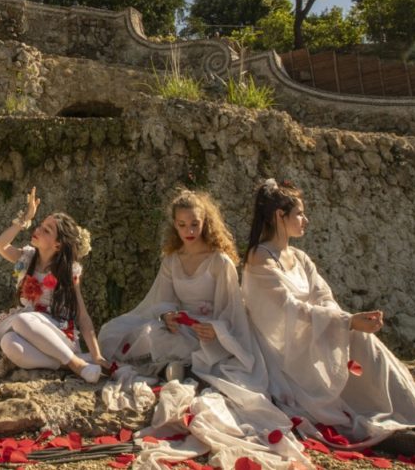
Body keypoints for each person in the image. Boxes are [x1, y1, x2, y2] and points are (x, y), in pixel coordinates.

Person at [242, 179, 415, 460]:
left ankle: (412, 421)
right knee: (353, 333)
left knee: (361, 339)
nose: (305, 220)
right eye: (300, 214)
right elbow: (286, 309)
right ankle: (397, 427)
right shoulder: (260, 257)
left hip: (311, 336)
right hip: (284, 352)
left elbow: (324, 297)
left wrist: (347, 321)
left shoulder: (300, 257)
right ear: (279, 216)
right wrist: (346, 322)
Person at [99, 189, 305, 470]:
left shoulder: (219, 261)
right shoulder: (172, 260)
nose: (189, 231)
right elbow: (162, 302)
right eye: (182, 225)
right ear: (174, 225)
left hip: (210, 332)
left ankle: (184, 368)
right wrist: (167, 317)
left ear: (206, 222)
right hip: (182, 327)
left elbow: (231, 309)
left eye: (195, 224)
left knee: (192, 345)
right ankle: (178, 367)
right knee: (142, 333)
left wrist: (216, 330)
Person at [0, 187, 106, 383]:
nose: (37, 230)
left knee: (21, 321)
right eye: (40, 226)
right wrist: (25, 218)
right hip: (28, 329)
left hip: (55, 330)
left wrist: (97, 355)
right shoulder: (27, 258)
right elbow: (1, 245)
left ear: (57, 245)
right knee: (9, 342)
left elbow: (82, 315)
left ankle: (76, 364)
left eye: (46, 230)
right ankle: (72, 363)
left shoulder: (68, 271)